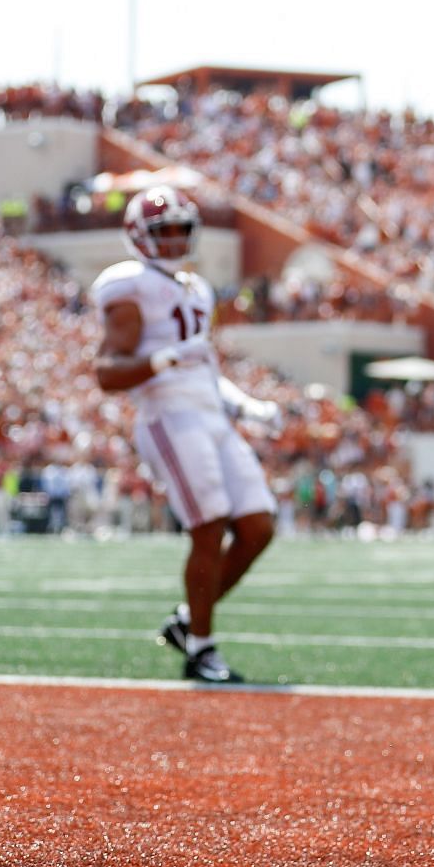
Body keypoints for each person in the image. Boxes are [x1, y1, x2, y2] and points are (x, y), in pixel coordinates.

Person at [91, 186, 281, 684]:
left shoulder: (195, 288)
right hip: (169, 416)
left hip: (210, 414)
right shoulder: (129, 284)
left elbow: (205, 368)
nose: (175, 239)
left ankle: (186, 620)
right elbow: (108, 373)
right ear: (139, 236)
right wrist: (162, 359)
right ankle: (202, 647)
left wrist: (248, 406)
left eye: (181, 229)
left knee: (259, 526)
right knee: (209, 526)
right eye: (163, 230)